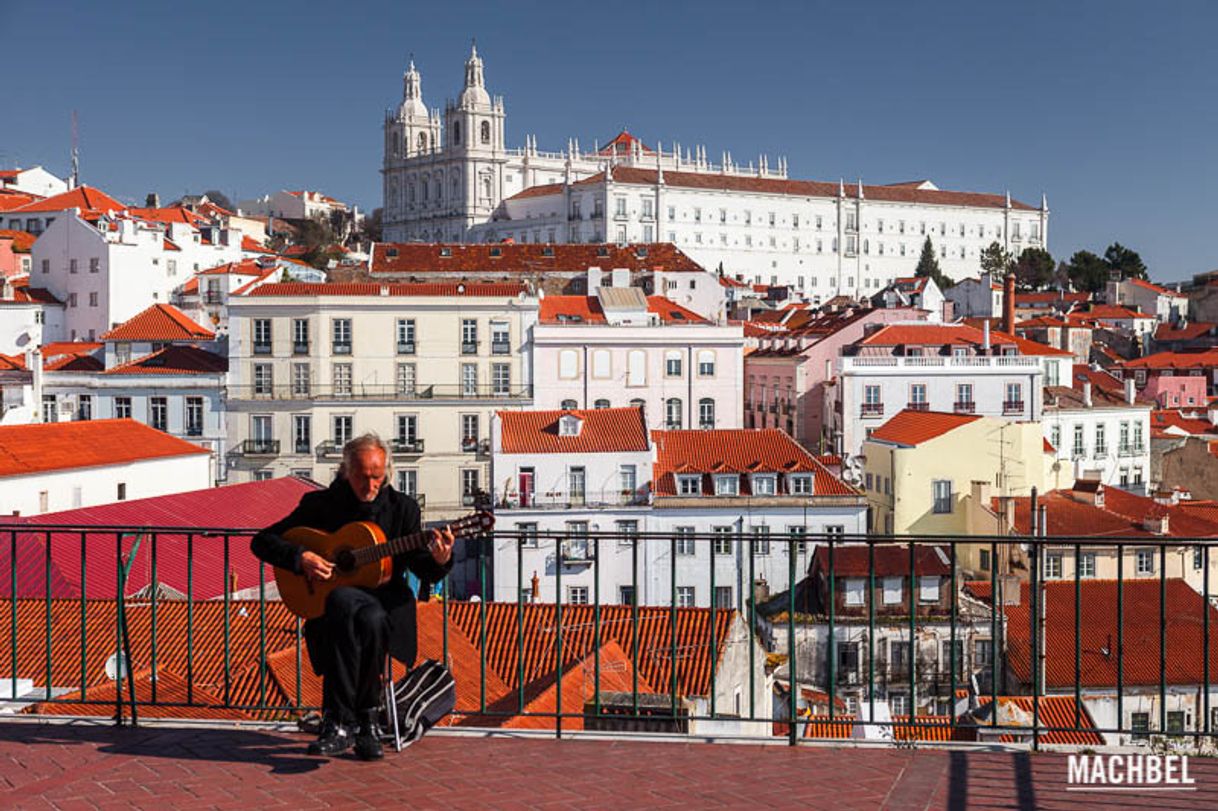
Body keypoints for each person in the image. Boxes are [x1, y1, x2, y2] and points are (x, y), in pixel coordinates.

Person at [251, 433, 454, 760]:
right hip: (338, 605)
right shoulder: (320, 506)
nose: (370, 485)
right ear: (346, 471)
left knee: (357, 613)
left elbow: (424, 568)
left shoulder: (402, 509)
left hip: (385, 601)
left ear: (387, 472)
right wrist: (301, 557)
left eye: (377, 476)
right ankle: (367, 722)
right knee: (347, 607)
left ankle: (339, 721)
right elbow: (263, 541)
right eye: (362, 476)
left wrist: (441, 560)